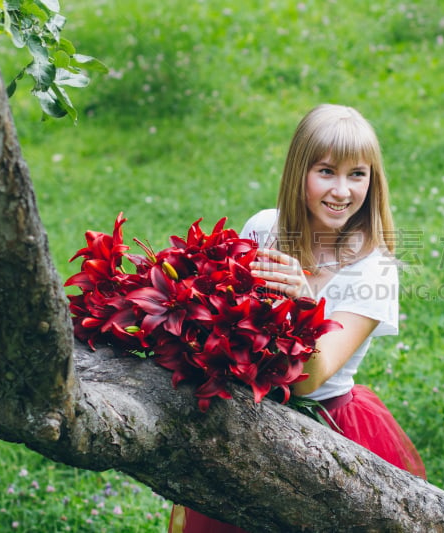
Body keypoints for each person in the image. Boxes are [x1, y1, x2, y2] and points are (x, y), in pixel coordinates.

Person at [169, 104, 425, 532]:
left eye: (357, 174)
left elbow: (309, 379)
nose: (342, 190)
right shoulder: (264, 231)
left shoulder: (373, 268)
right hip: (248, 413)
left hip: (325, 424)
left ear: (373, 180)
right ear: (298, 173)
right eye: (326, 171)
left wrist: (304, 303)